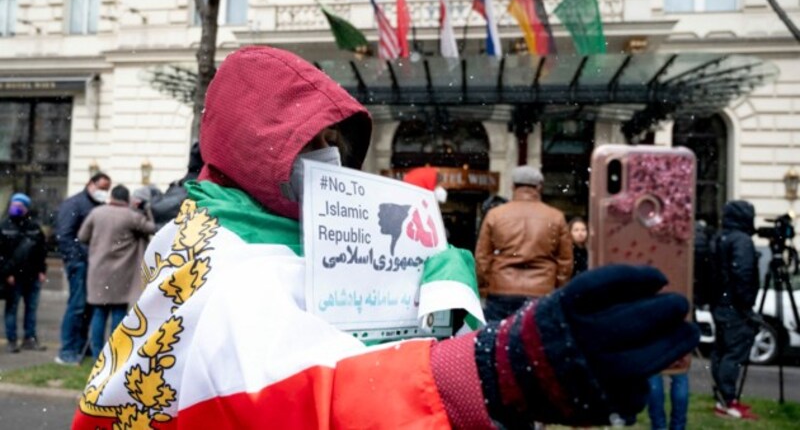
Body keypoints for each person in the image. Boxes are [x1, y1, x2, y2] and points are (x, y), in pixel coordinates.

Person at [73, 47, 698, 428]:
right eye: (307, 142)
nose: (328, 159)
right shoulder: (223, 261)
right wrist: (498, 371)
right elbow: (302, 398)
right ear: (249, 153)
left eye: (333, 143)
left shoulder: (272, 233)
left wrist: (436, 275)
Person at [475, 165, 573, 321]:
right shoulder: (556, 217)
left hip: (502, 289)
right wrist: (557, 288)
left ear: (513, 186)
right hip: (542, 290)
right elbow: (565, 262)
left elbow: (482, 258)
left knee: (498, 341)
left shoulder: (495, 215)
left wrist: (486, 287)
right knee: (537, 341)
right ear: (539, 187)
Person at [78, 185, 156, 359]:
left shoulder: (96, 213)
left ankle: (97, 354)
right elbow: (152, 228)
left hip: (98, 271)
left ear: (111, 196)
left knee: (98, 313)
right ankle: (114, 354)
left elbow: (83, 236)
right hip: (122, 273)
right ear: (126, 199)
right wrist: (146, 210)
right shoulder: (132, 217)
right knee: (118, 312)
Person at [710, 200, 760, 420]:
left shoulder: (720, 237)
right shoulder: (741, 240)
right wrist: (746, 303)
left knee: (721, 351)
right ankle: (729, 401)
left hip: (720, 303)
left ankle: (723, 399)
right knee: (734, 352)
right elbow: (743, 272)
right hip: (734, 306)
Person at [54, 172, 111, 365]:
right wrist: (76, 258)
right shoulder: (74, 204)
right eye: (102, 187)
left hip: (93, 264)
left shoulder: (98, 206)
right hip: (80, 263)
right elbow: (65, 235)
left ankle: (79, 346)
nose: (104, 192)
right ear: (90, 184)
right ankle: (67, 350)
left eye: (107, 189)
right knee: (77, 306)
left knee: (87, 306)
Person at [1, 193, 48, 353]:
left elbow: (42, 250)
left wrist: (42, 270)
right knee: (12, 309)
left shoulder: (33, 228)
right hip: (13, 277)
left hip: (32, 275)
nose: (16, 207)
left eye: (20, 205)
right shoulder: (4, 227)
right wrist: (7, 273)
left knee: (31, 308)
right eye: (14, 204)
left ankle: (29, 338)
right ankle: (12, 340)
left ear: (26, 208)